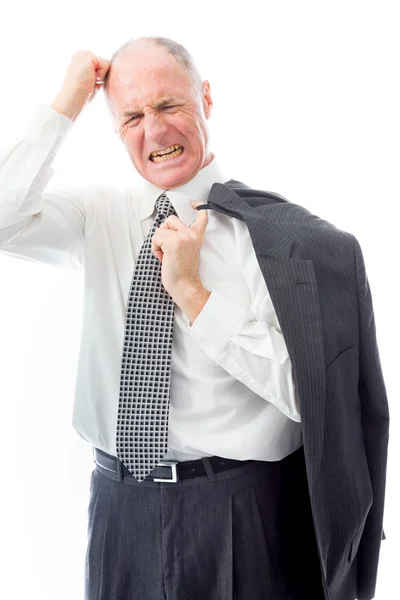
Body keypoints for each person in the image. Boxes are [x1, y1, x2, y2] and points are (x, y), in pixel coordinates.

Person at [0, 36, 389, 600]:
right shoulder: (98, 215)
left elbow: (316, 398)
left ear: (205, 98)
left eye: (168, 106)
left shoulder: (278, 240)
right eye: (132, 115)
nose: (153, 132)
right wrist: (65, 103)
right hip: (119, 510)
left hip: (240, 512)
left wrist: (195, 296)